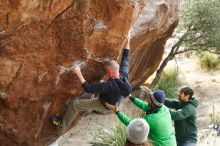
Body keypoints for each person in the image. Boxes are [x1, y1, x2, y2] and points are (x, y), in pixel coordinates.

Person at [60, 32, 132, 132]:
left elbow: (88, 88)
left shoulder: (109, 85)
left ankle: (62, 126)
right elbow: (126, 58)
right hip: (114, 99)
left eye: (105, 70)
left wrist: (78, 72)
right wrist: (127, 41)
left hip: (104, 104)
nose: (104, 71)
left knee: (75, 104)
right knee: (98, 83)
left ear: (110, 72)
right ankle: (91, 102)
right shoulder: (123, 75)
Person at [111, 89, 176, 146]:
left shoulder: (153, 119)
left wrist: (117, 112)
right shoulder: (163, 108)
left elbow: (134, 126)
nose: (147, 101)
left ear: (153, 103)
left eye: (149, 99)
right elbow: (144, 105)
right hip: (172, 142)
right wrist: (130, 97)